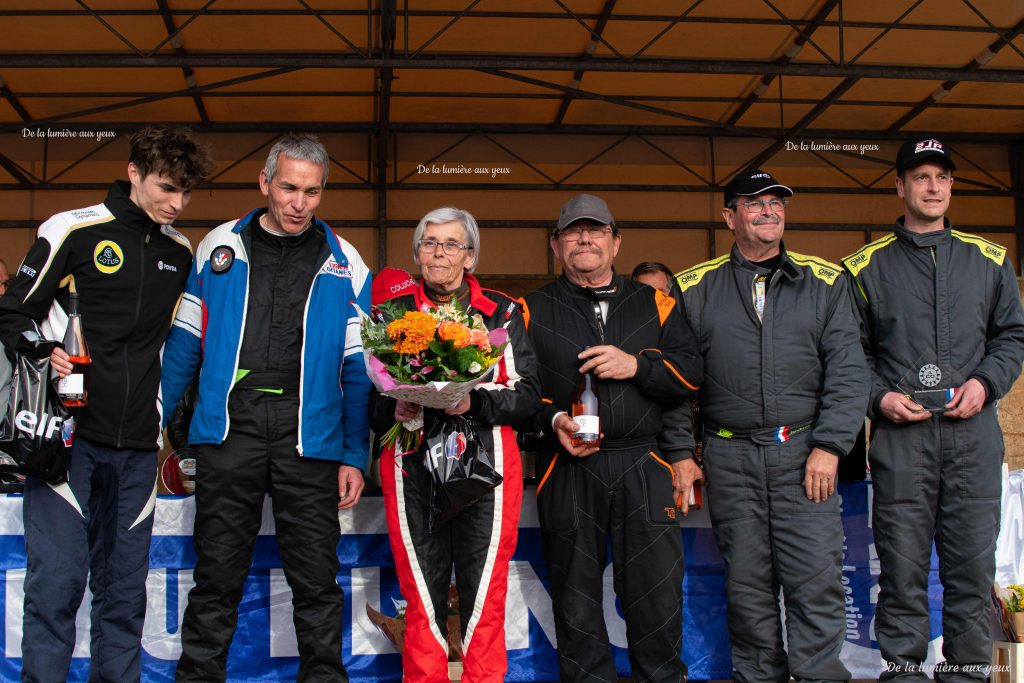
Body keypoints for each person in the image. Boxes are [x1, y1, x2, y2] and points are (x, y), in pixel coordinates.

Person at [0, 125, 212, 682]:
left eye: (186, 193)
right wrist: (47, 352)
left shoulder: (179, 250)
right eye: (166, 188)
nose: (176, 203)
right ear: (134, 172)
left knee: (122, 597)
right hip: (67, 443)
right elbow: (11, 313)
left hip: (139, 445)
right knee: (57, 587)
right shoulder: (73, 228)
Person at [159, 134, 372, 682]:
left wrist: (354, 452)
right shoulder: (216, 247)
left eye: (312, 191)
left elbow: (359, 370)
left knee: (317, 583)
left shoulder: (346, 261)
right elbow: (184, 345)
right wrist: (156, 422)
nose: (300, 203)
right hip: (230, 431)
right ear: (264, 184)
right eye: (289, 188)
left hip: (311, 434)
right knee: (217, 579)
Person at [674, 169, 868, 682]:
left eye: (777, 202)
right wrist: (681, 453)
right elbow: (674, 381)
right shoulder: (694, 287)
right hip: (729, 457)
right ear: (729, 216)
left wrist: (829, 445)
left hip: (805, 454)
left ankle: (819, 674)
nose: (769, 211)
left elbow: (850, 372)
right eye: (754, 203)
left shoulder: (826, 281)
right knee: (747, 584)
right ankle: (759, 676)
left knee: (814, 578)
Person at [842, 136, 1024, 680]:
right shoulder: (863, 267)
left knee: (972, 562)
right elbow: (852, 353)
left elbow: (1012, 337)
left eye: (941, 177)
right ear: (899, 186)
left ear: (951, 185)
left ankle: (968, 667)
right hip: (902, 439)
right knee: (901, 562)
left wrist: (986, 384)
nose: (932, 186)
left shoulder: (990, 260)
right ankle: (902, 667)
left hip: (974, 435)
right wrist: (880, 399)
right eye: (919, 177)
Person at [522, 194, 703, 682]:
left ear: (616, 242)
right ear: (556, 245)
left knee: (656, 594)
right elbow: (517, 392)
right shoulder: (529, 309)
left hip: (644, 463)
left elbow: (691, 373)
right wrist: (554, 420)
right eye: (573, 232)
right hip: (567, 469)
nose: (585, 239)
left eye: (596, 230)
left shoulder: (657, 303)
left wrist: (638, 366)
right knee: (575, 598)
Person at [369, 207, 539, 683]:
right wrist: (396, 407)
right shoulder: (393, 316)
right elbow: (369, 402)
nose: (439, 253)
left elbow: (526, 395)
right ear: (417, 252)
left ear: (470, 257)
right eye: (429, 243)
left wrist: (472, 404)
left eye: (451, 245)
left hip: (485, 468)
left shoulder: (503, 312)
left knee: (483, 593)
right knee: (421, 594)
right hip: (411, 464)